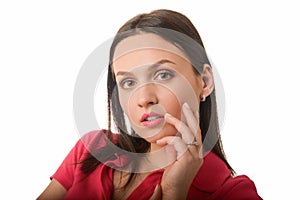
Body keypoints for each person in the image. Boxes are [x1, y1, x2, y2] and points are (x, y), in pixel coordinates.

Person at [37, 9, 262, 199]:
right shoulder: (93, 149)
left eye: (163, 75)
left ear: (205, 82)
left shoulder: (233, 193)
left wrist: (175, 192)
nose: (144, 99)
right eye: (128, 82)